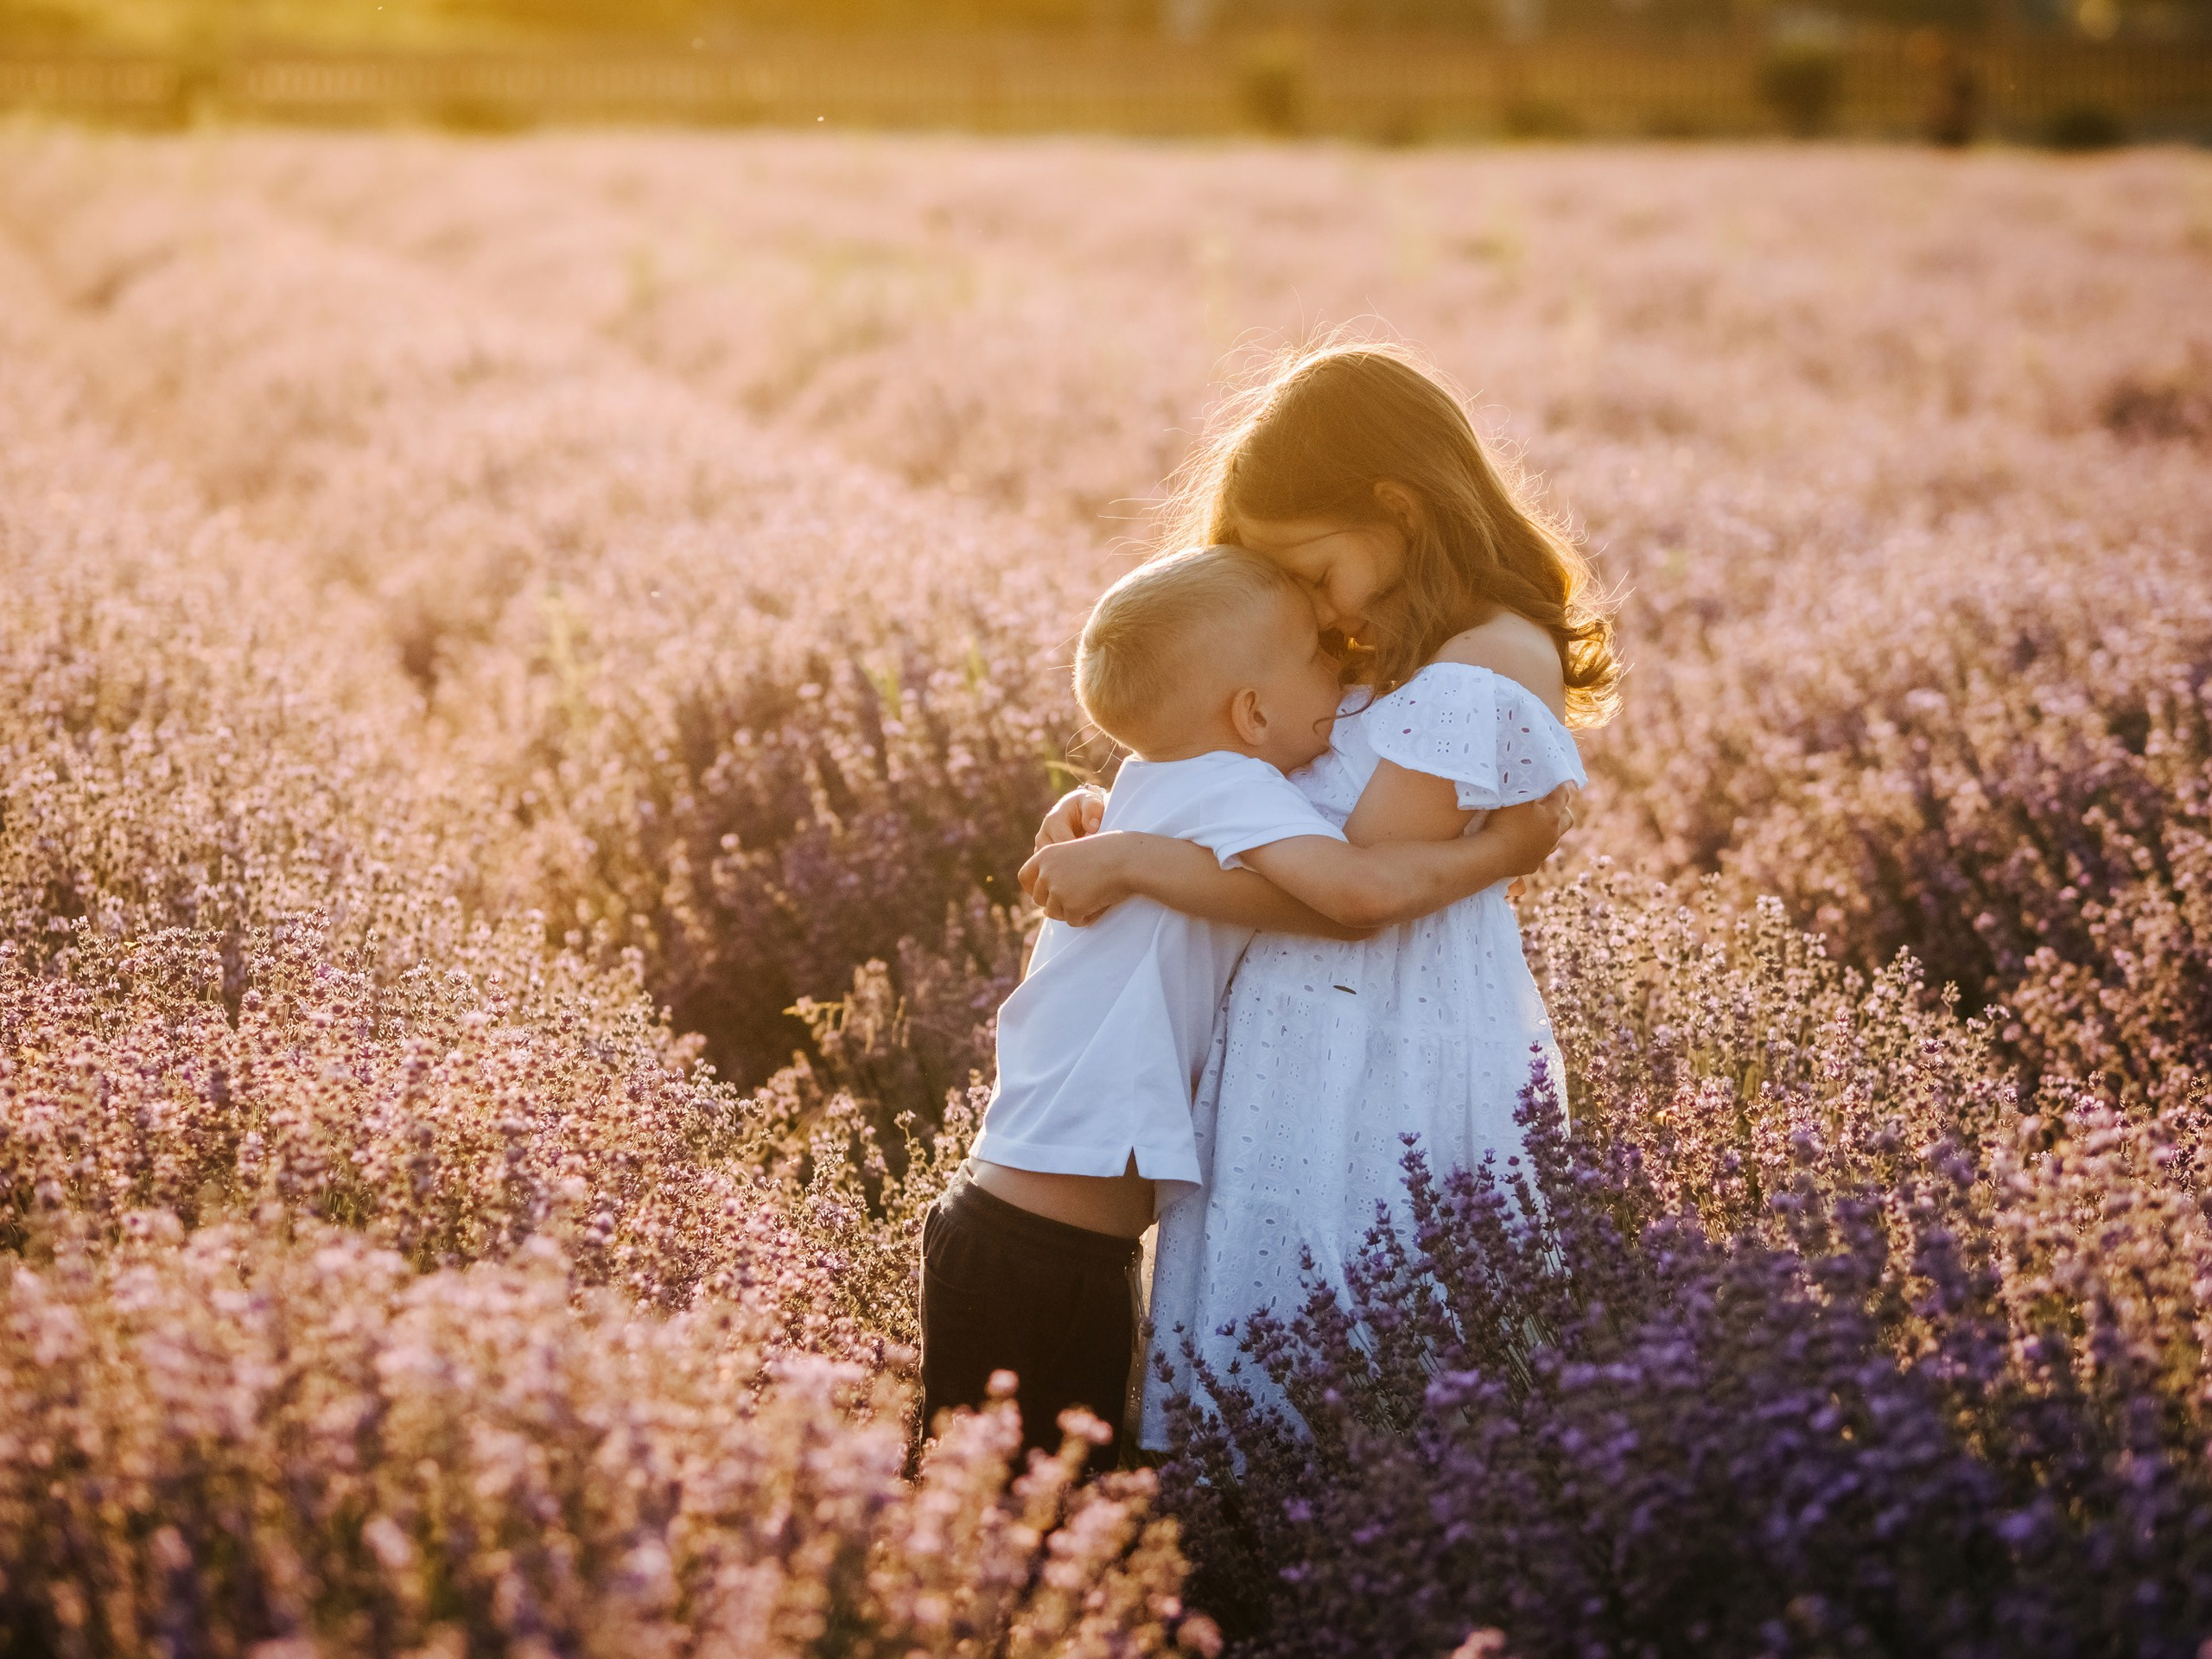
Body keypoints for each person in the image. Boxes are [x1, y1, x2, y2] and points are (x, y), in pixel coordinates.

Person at [1021, 342, 1619, 1446]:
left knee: (1359, 1321)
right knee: (1287, 1327)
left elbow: (1349, 896)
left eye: (1307, 568)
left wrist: (1139, 861)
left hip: (1374, 1043)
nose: (1302, 605)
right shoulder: (1408, 645)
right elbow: (1278, 807)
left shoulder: (1481, 663)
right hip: (1309, 1032)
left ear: (1396, 507)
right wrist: (1123, 816)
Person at [921, 543, 1572, 1471]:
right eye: (1321, 655)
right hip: (1040, 1254)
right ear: (1253, 713)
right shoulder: (1232, 789)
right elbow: (1351, 897)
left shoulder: (1158, 784)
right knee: (1018, 1522)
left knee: (1009, 1514)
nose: (1346, 675)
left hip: (1022, 1233)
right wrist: (1503, 852)